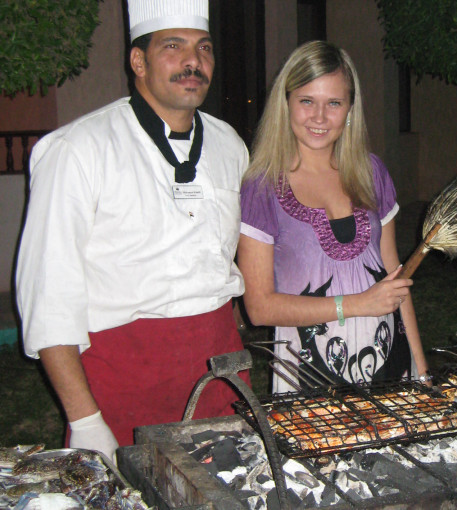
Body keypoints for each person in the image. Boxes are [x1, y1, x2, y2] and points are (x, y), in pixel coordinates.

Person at [15, 0, 249, 461]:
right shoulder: (78, 149)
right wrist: (85, 420)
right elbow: (49, 295)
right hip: (124, 379)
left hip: (219, 373)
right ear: (138, 61)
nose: (193, 61)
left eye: (203, 47)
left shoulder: (229, 144)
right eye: (173, 46)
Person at [238, 41, 430, 393]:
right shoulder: (261, 187)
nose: (319, 117)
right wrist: (357, 305)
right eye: (306, 101)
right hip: (309, 376)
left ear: (350, 109)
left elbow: (397, 283)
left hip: (390, 362)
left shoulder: (371, 173)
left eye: (334, 103)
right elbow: (259, 308)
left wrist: (422, 371)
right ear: (285, 103)